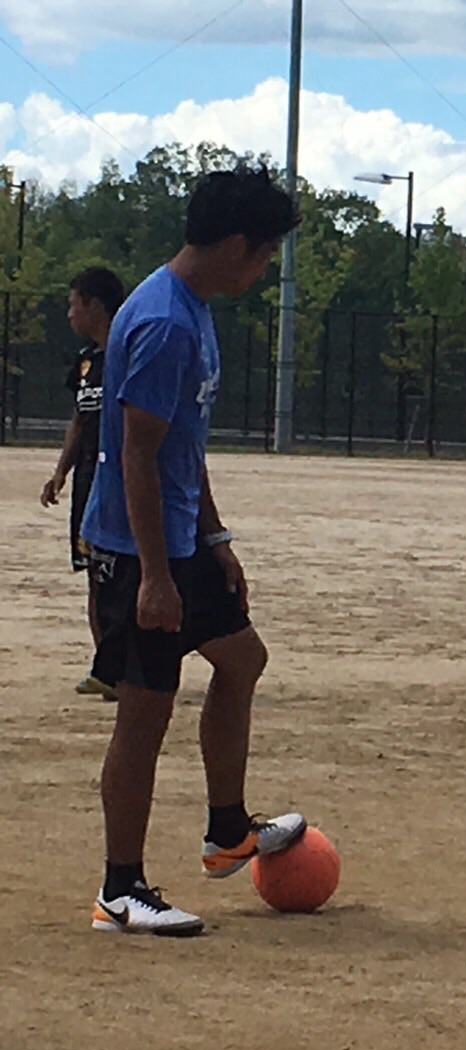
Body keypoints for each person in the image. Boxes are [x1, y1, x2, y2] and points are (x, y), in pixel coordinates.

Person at [82, 167, 305, 937]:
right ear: (238, 245)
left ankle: (226, 830)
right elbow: (138, 454)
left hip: (180, 542)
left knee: (242, 660)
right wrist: (153, 576)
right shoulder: (167, 323)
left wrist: (213, 539)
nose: (266, 269)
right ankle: (121, 888)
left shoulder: (194, 309)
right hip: (138, 551)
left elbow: (184, 446)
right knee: (144, 716)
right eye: (267, 254)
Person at [40, 267, 128, 699]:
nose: (70, 314)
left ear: (94, 305)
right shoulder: (86, 361)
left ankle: (125, 669)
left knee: (122, 576)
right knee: (94, 572)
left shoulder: (129, 352)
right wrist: (62, 470)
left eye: (74, 304)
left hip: (121, 479)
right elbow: (80, 418)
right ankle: (105, 669)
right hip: (88, 482)